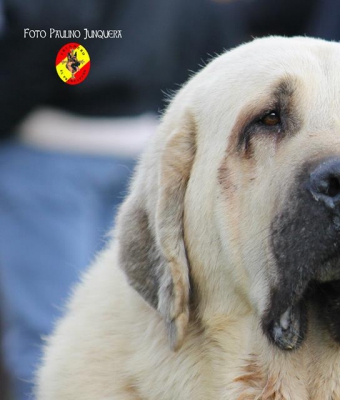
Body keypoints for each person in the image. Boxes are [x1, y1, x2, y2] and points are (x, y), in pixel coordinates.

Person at [0, 1, 245, 398]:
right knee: (126, 328)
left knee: (45, 338)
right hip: (137, 142)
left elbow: (56, 24)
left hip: (51, 148)